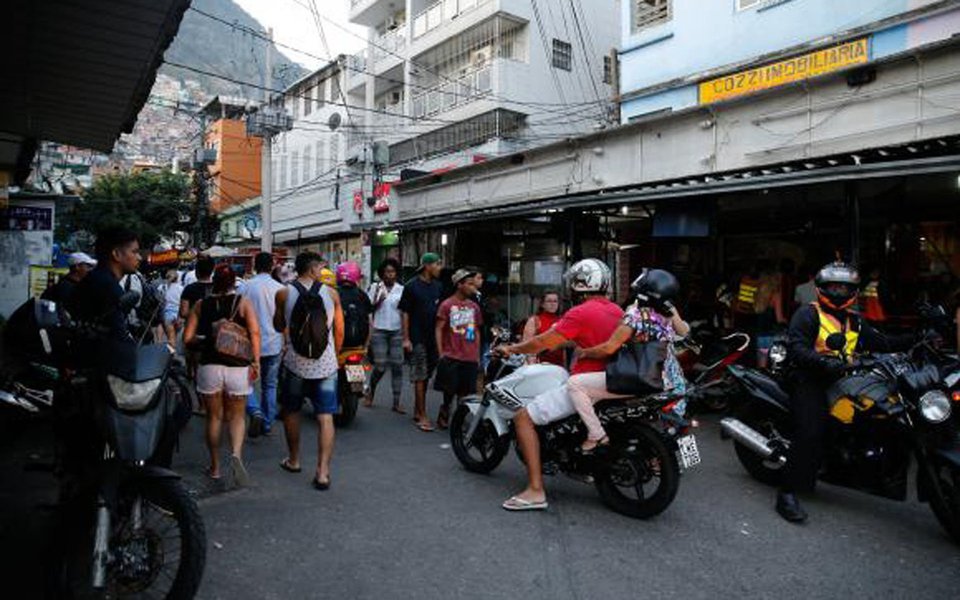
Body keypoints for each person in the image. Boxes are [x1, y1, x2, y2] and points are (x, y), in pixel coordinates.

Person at [776, 261, 915, 523]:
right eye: (834, 287)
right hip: (808, 378)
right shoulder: (808, 314)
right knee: (810, 432)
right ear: (822, 288)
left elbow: (882, 342)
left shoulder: (855, 320)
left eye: (845, 288)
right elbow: (798, 348)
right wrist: (823, 362)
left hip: (841, 378)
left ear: (853, 291)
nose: (839, 292)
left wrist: (918, 338)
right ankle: (787, 493)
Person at [495, 259, 623, 511]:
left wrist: (512, 348)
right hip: (612, 382)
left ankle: (535, 490)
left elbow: (541, 342)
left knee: (522, 418)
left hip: (586, 382)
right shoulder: (617, 311)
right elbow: (584, 338)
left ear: (578, 285)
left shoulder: (580, 312)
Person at [573, 269, 690, 452]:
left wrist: (584, 353)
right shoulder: (668, 314)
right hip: (673, 383)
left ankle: (597, 434)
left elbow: (609, 348)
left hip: (645, 378)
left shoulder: (635, 316)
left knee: (576, 384)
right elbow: (684, 331)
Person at [183, 264, 261, 485]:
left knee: (214, 417)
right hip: (238, 367)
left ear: (213, 281)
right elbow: (255, 333)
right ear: (234, 282)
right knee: (237, 416)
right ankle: (236, 455)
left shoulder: (201, 304)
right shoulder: (243, 303)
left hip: (209, 367)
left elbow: (187, 339)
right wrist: (256, 361)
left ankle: (215, 467)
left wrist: (206, 339)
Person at [274, 252, 344, 490]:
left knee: (292, 411)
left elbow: (278, 325)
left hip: (295, 364)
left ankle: (294, 460)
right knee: (325, 416)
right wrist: (335, 356)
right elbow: (339, 330)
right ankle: (322, 472)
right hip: (326, 365)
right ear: (313, 269)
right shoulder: (332, 294)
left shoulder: (284, 293)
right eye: (320, 267)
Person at [241, 252, 285, 438]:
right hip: (273, 342)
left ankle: (255, 411)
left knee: (244, 383)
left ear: (254, 266)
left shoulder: (245, 287)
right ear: (272, 266)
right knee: (270, 385)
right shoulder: (281, 289)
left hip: (249, 343)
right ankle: (267, 423)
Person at [69, 226, 142, 340]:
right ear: (116, 254)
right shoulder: (109, 289)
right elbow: (118, 339)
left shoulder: (94, 279)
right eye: (134, 252)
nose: (139, 258)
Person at [399, 252, 443, 432]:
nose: (440, 268)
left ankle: (418, 409)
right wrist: (406, 338)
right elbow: (405, 313)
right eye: (437, 264)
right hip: (417, 337)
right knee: (420, 376)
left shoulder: (438, 286)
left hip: (434, 338)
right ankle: (422, 415)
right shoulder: (411, 286)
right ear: (427, 266)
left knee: (427, 376)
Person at [433, 268, 483, 430]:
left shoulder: (474, 307)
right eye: (469, 284)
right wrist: (441, 352)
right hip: (451, 354)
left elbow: (476, 330)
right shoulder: (447, 305)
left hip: (469, 355)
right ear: (459, 285)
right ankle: (445, 411)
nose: (472, 287)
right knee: (449, 390)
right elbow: (439, 328)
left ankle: (459, 419)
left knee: (465, 392)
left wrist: (477, 353)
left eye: (473, 284)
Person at [365, 258, 405, 412]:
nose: (390, 274)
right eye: (387, 271)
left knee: (397, 366)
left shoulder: (401, 289)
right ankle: (370, 391)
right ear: (382, 273)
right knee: (380, 366)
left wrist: (406, 335)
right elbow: (368, 308)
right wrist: (377, 302)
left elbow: (404, 312)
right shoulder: (375, 287)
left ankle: (396, 402)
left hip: (397, 330)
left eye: (393, 271)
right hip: (379, 330)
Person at [180, 256, 215, 380]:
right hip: (213, 333)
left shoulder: (189, 289)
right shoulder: (217, 288)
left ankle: (191, 376)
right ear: (212, 270)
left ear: (196, 272)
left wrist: (195, 314)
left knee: (193, 364)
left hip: (193, 332)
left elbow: (183, 312)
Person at [754, 260, 787, 368]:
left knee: (761, 367)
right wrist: (786, 321)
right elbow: (779, 318)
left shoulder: (758, 294)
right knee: (775, 366)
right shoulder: (775, 295)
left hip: (759, 334)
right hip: (772, 335)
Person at [521, 290, 565, 367]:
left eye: (555, 301)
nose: (552, 304)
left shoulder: (562, 321)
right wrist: (531, 363)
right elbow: (526, 345)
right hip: (539, 365)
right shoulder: (534, 320)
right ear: (542, 304)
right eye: (549, 301)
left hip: (558, 365)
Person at [336, 261, 373, 350]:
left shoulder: (334, 293)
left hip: (337, 345)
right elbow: (370, 321)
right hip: (358, 343)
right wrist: (366, 345)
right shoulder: (362, 295)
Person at [161, 268, 183, 345]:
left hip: (168, 314)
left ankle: (172, 351)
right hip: (178, 314)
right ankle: (175, 350)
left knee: (171, 337)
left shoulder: (163, 287)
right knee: (177, 337)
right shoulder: (181, 288)